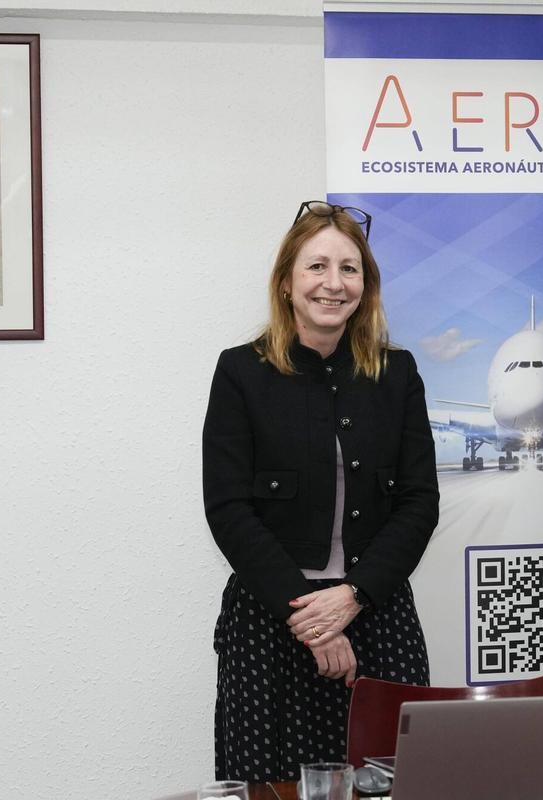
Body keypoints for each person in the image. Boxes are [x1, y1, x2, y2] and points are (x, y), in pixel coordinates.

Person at [202, 201, 438, 781]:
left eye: (349, 269)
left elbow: (419, 503)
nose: (334, 283)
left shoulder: (398, 373)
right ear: (286, 282)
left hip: (377, 616)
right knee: (269, 786)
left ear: (366, 285)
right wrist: (312, 620)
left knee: (389, 782)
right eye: (317, 267)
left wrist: (352, 597)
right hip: (270, 624)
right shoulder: (240, 372)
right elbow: (228, 510)